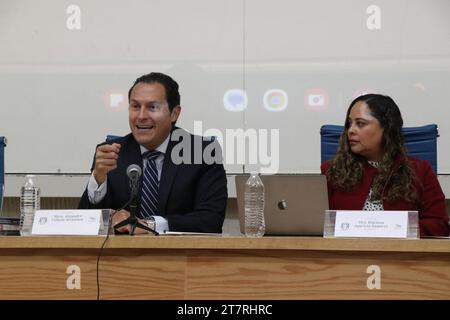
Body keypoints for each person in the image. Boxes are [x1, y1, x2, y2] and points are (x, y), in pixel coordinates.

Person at [78, 72, 227, 234]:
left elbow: (211, 220)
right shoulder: (111, 152)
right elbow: (84, 222)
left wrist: (151, 225)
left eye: (152, 107)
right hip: (120, 256)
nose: (141, 116)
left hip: (182, 256)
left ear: (174, 113)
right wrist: (98, 179)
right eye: (135, 106)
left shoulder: (202, 153)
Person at [321, 93, 450, 237]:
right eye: (349, 124)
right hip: (346, 255)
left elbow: (440, 225)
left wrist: (396, 228)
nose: (350, 130)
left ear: (387, 128)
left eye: (360, 123)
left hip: (402, 256)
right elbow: (316, 225)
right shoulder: (331, 171)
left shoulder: (420, 171)